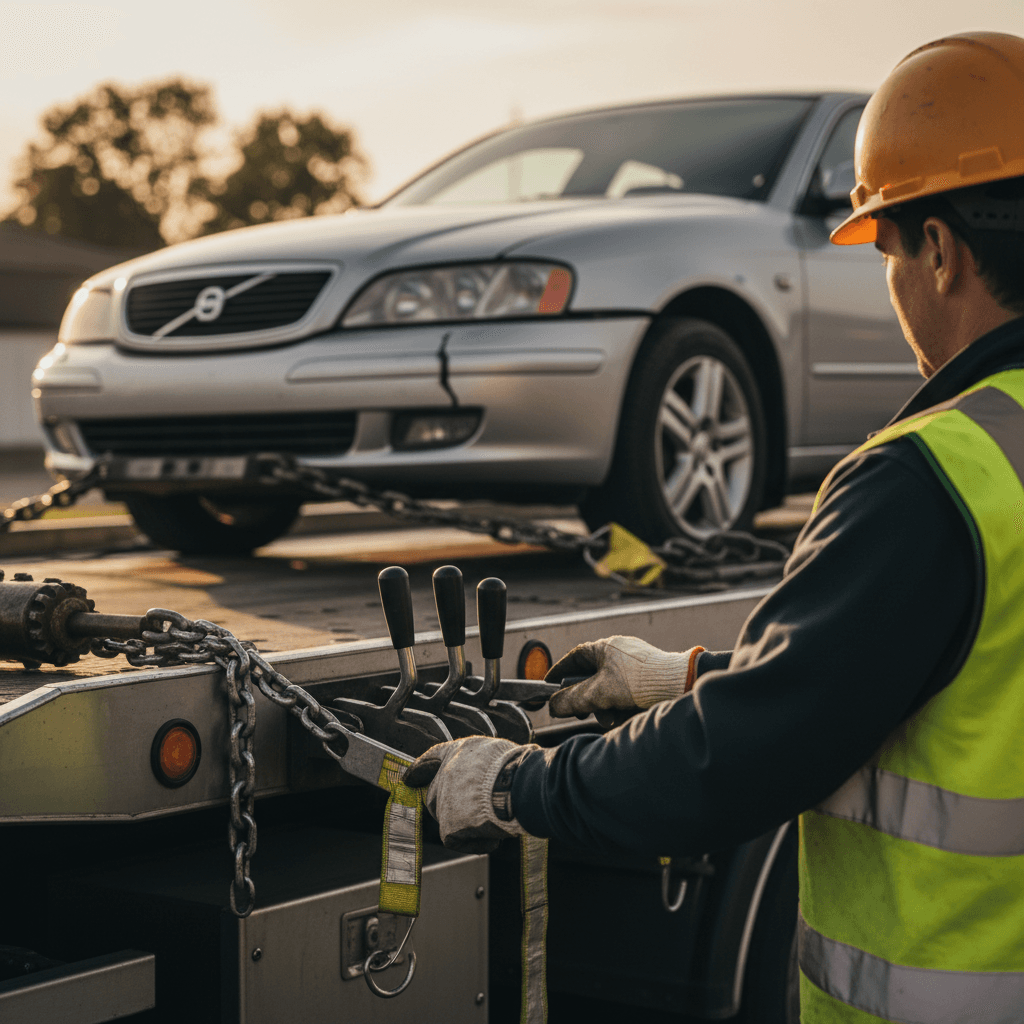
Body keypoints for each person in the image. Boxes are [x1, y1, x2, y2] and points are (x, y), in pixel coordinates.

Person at [405, 31, 1024, 1023]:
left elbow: (735, 761)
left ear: (940, 251)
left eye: (889, 252)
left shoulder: (933, 475)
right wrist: (685, 675)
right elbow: (948, 672)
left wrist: (519, 785)